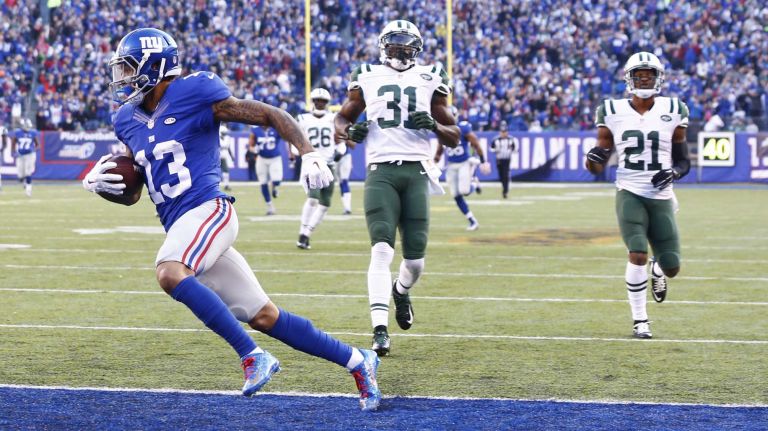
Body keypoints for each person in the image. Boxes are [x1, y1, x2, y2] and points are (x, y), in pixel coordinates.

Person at [81, 28, 381, 411]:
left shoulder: (193, 91)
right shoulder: (126, 118)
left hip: (210, 210)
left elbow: (271, 114)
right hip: (183, 226)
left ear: (154, 65)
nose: (122, 77)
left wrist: (307, 153)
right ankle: (357, 360)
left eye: (128, 67)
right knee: (264, 316)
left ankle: (252, 356)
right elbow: (135, 192)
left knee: (169, 271)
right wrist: (102, 184)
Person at [334, 20, 460, 356]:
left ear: (416, 49)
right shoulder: (366, 74)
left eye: (406, 45)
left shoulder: (431, 76)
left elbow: (454, 136)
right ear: (383, 46)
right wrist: (349, 133)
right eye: (395, 44)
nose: (401, 50)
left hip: (417, 170)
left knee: (415, 262)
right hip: (381, 171)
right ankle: (379, 329)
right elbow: (342, 119)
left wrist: (434, 126)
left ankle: (401, 291)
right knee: (381, 250)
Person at [585, 51, 690, 339]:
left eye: (649, 75)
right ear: (629, 79)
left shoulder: (674, 109)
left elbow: (683, 161)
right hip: (629, 190)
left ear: (659, 79)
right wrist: (592, 160)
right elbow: (598, 163)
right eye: (639, 75)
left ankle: (658, 267)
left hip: (661, 195)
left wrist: (674, 173)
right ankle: (640, 320)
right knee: (637, 252)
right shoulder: (611, 110)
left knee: (672, 268)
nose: (644, 80)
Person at [295, 88, 345, 249]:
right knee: (313, 199)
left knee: (325, 204)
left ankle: (306, 234)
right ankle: (302, 233)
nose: (320, 103)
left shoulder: (333, 118)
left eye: (323, 101)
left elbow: (340, 139)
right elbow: (294, 137)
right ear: (313, 101)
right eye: (317, 100)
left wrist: (341, 150)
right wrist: (297, 152)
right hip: (312, 163)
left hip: (329, 163)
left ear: (327, 102)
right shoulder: (303, 118)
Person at [433, 108, 490, 231]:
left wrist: (483, 161)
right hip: (451, 165)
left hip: (464, 162)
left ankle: (474, 183)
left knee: (464, 191)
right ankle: (472, 221)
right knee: (456, 195)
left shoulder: (463, 128)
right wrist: (434, 162)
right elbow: (439, 149)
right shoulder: (442, 129)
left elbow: (476, 143)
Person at [249, 124, 283, 215]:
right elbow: (251, 146)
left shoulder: (276, 128)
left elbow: (286, 137)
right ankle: (270, 206)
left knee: (276, 180)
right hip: (261, 159)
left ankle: (274, 186)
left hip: (275, 158)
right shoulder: (255, 130)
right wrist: (254, 149)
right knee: (263, 183)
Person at [489, 121, 517, 199]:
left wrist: (511, 150)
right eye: (502, 132)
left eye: (505, 132)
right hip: (499, 159)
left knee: (505, 175)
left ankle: (505, 191)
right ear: (500, 132)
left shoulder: (511, 139)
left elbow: (515, 149)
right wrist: (495, 150)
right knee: (501, 176)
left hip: (507, 159)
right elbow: (491, 148)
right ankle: (505, 188)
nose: (503, 133)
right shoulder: (496, 139)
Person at [12, 118, 39, 197]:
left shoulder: (33, 133)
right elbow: (13, 142)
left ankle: (28, 189)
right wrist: (13, 152)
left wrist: (33, 149)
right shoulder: (18, 133)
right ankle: (24, 182)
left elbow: (38, 145)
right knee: (20, 176)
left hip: (30, 155)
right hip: (20, 155)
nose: (28, 128)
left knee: (28, 172)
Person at [219, 123, 234, 191]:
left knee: (225, 170)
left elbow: (228, 147)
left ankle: (226, 185)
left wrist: (231, 155)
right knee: (222, 170)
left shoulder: (226, 137)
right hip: (218, 154)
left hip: (222, 154)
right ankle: (225, 185)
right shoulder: (217, 137)